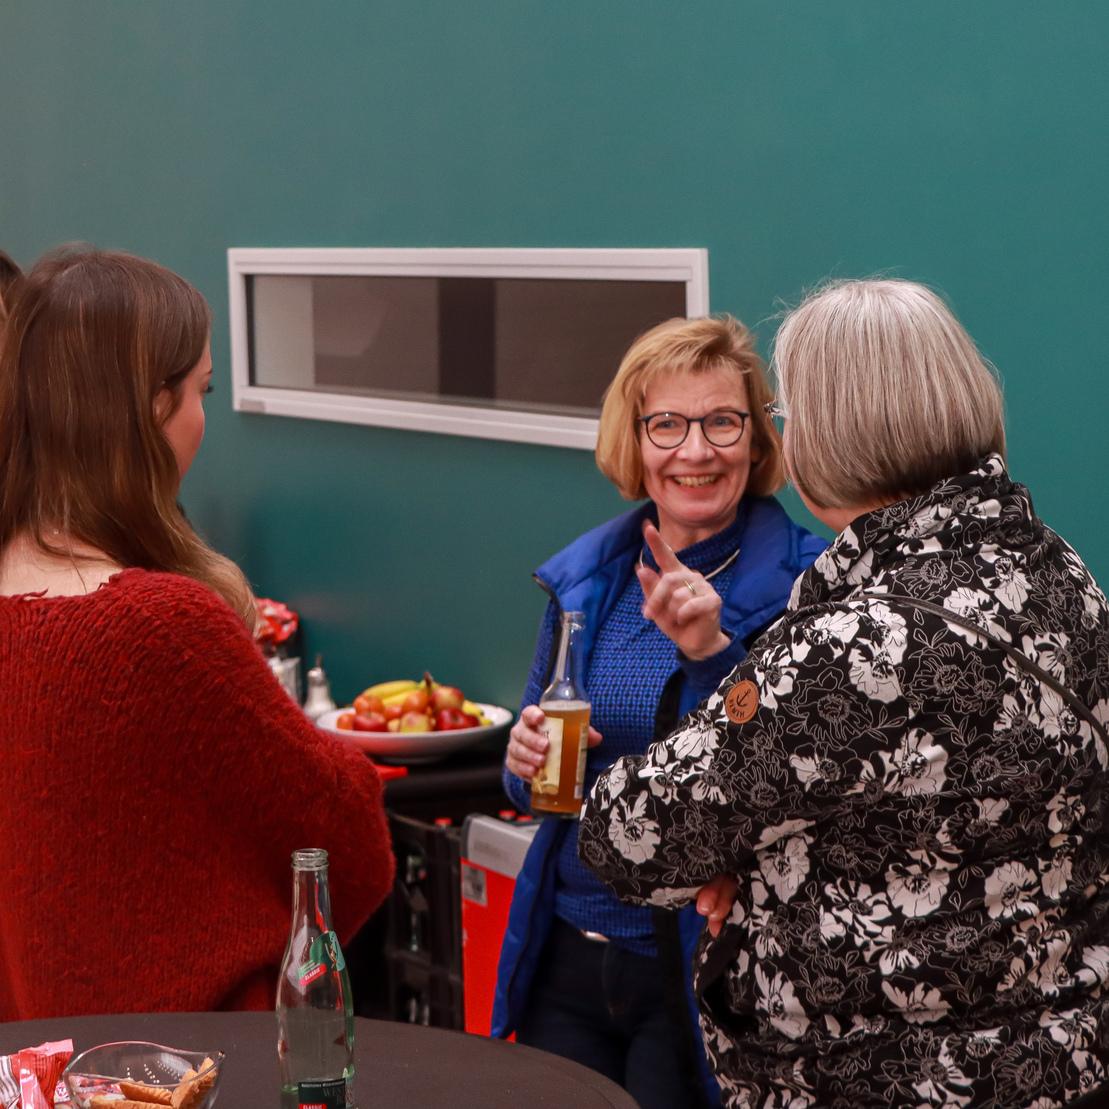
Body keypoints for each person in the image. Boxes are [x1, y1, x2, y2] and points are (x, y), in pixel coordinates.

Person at [580, 278, 1109, 1106]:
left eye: (783, 415)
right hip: (1061, 1062)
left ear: (835, 432)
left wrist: (728, 851)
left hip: (879, 1081)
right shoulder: (1056, 572)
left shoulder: (853, 644)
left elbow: (628, 833)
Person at [0, 247, 394, 1019]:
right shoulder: (158, 626)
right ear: (152, 407)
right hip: (179, 1071)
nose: (200, 420)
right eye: (199, 391)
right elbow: (346, 841)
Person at [493, 315, 826, 1107]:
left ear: (755, 438)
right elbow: (540, 787)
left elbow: (795, 775)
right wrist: (521, 763)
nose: (695, 450)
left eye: (721, 421)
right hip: (566, 951)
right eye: (667, 424)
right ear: (634, 440)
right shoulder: (589, 581)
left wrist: (712, 651)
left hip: (701, 967)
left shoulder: (807, 584)